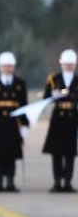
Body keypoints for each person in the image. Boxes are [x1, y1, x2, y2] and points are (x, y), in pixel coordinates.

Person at [0, 52, 29, 192]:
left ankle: (10, 182)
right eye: (5, 66)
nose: (8, 68)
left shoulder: (20, 84)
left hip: (13, 123)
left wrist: (25, 124)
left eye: (10, 66)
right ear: (0, 67)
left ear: (14, 67)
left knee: (11, 154)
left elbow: (23, 105)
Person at [42, 49, 77, 193]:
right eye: (66, 64)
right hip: (58, 117)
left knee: (69, 152)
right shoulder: (53, 79)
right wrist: (52, 95)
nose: (68, 66)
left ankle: (68, 182)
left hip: (73, 117)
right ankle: (57, 181)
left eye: (71, 64)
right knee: (56, 151)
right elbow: (45, 97)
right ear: (61, 64)